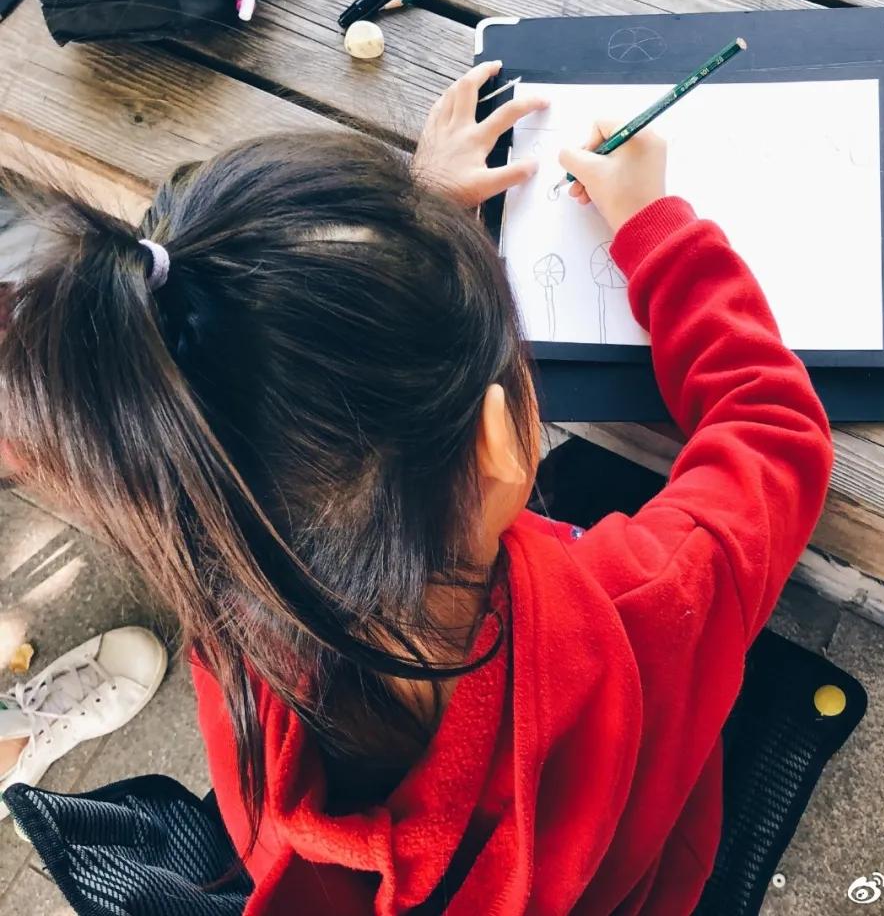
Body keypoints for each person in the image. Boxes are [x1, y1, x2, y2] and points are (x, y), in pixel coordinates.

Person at [0, 61, 832, 914]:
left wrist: (420, 224)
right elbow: (774, 430)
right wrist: (659, 232)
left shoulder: (236, 619)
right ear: (504, 444)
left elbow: (270, 410)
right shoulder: (647, 606)